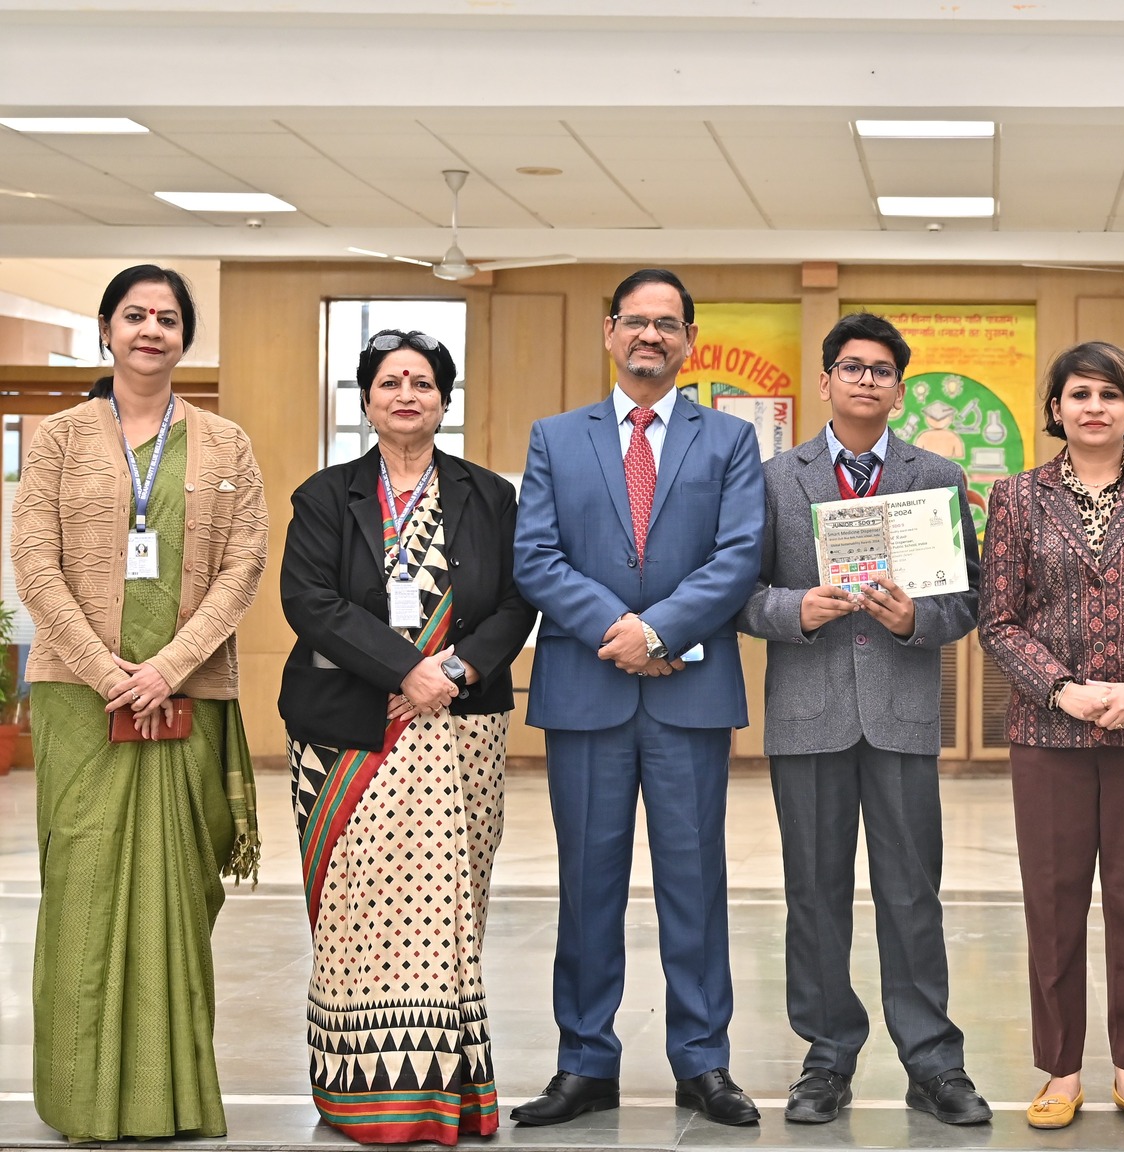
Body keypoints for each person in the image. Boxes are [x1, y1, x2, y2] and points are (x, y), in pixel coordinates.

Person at [14, 264, 268, 1141]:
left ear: (184, 337)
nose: (151, 330)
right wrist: (107, 671)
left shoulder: (226, 444)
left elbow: (243, 566)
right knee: (82, 885)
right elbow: (34, 562)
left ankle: (174, 1097)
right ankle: (80, 1098)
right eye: (135, 315)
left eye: (167, 318)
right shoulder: (57, 439)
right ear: (106, 329)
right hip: (80, 702)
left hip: (189, 697)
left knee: (180, 893)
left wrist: (166, 668)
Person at [510, 269, 767, 1128]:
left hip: (690, 693)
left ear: (689, 339)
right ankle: (585, 1062)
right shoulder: (555, 438)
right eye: (634, 321)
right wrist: (618, 629)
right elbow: (536, 556)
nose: (649, 335)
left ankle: (703, 1060)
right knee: (587, 886)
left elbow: (738, 555)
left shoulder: (729, 440)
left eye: (667, 323)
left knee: (695, 883)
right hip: (586, 693)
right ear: (609, 332)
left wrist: (658, 633)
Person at [278, 329, 537, 1144]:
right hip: (347, 735)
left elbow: (519, 600)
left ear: (443, 402)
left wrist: (451, 671)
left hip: (462, 727)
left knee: (450, 910)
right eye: (390, 382)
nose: (406, 395)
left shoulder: (488, 496)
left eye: (422, 383)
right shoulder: (326, 496)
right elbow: (309, 599)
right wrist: (406, 670)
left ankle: (444, 1095)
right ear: (366, 400)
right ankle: (359, 1095)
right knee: (354, 912)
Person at [737, 312, 990, 1127]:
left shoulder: (936, 475)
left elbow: (968, 597)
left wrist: (918, 620)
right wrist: (794, 610)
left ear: (899, 390)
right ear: (826, 381)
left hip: (901, 714)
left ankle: (933, 1061)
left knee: (913, 895)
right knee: (813, 894)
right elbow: (740, 593)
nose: (866, 380)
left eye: (882, 371)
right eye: (852, 367)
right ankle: (826, 1056)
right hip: (806, 713)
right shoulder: (774, 479)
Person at [978, 341, 1124, 1131]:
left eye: (1110, 395)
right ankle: (1061, 1069)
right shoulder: (1016, 497)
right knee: (1053, 901)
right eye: (1079, 394)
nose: (1094, 407)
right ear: (1056, 409)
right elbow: (998, 619)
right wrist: (1062, 689)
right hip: (1048, 731)